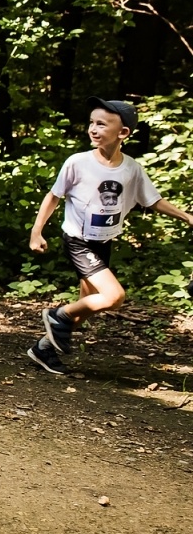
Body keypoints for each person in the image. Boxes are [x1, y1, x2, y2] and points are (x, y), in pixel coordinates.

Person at [26, 99, 193, 374]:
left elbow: (152, 201)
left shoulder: (131, 169)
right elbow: (54, 196)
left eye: (101, 124)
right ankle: (56, 315)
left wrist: (186, 216)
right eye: (91, 122)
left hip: (103, 241)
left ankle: (42, 348)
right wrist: (36, 231)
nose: (93, 129)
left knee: (85, 307)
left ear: (123, 133)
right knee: (114, 297)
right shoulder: (77, 163)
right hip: (78, 240)